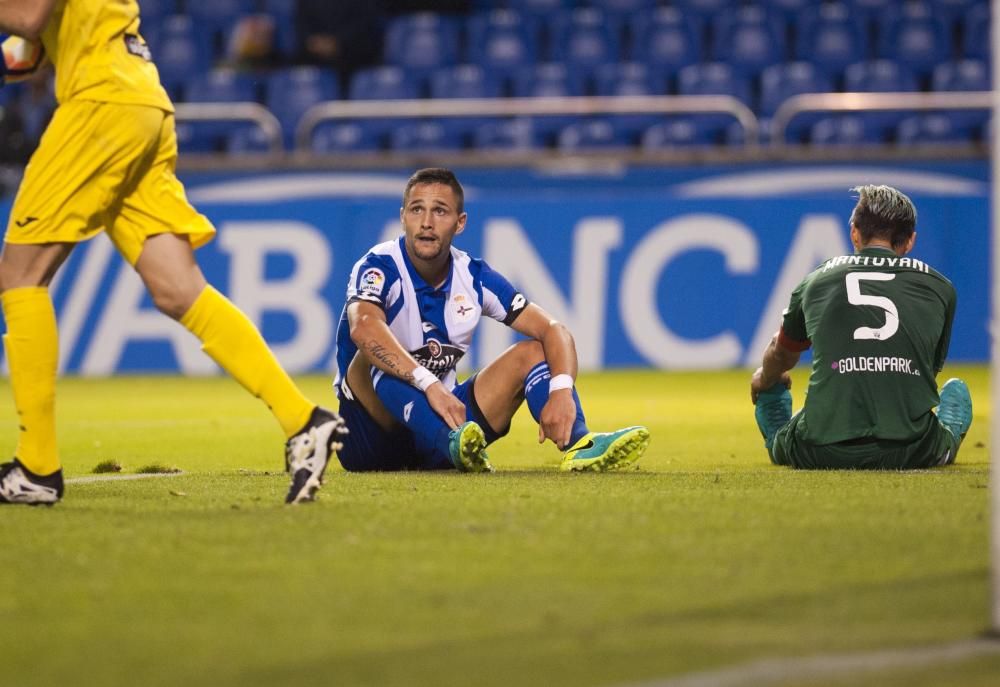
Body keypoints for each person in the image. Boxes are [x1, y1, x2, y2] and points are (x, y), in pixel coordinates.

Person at [0, 0, 346, 506]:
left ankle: (37, 465)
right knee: (178, 289)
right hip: (140, 102)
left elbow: (27, 17)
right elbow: (30, 49)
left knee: (19, 275)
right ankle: (303, 420)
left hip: (101, 105)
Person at [333, 167, 649, 473]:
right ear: (403, 217)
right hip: (371, 440)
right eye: (417, 210)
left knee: (534, 351)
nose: (427, 222)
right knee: (371, 356)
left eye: (440, 211)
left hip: (446, 419)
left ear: (460, 223)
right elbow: (363, 328)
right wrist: (429, 384)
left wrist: (562, 391)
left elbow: (554, 330)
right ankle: (453, 443)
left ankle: (580, 443)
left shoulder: (473, 276)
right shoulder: (379, 266)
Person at [750, 184, 972, 470]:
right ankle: (947, 438)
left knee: (772, 377)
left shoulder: (815, 281)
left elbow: (782, 354)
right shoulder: (942, 288)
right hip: (913, 449)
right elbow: (927, 370)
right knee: (955, 393)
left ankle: (780, 436)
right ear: (910, 241)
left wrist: (765, 377)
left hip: (819, 451)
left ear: (854, 232)